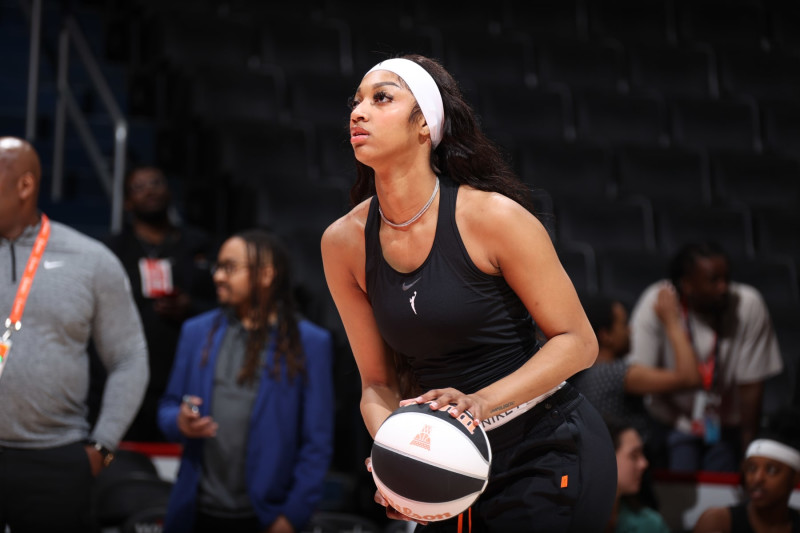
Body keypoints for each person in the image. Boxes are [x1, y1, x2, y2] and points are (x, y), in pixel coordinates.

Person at [321, 54, 616, 531]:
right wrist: (395, 459)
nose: (358, 112)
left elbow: (579, 343)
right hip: (448, 455)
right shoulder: (342, 243)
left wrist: (480, 402)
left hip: (543, 444)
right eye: (355, 102)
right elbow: (377, 384)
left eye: (381, 98)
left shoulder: (493, 218)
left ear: (426, 126)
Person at [0, 136, 149, 532]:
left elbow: (130, 357)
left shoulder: (90, 260)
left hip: (53, 461)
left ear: (25, 185)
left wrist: (101, 447)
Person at [158, 228, 335, 533]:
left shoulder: (309, 343)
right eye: (218, 266)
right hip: (196, 512)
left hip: (267, 516)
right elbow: (168, 407)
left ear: (266, 275)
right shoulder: (196, 332)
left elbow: (317, 443)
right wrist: (180, 421)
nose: (218, 276)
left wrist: (292, 516)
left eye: (230, 267)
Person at [628, 242, 783, 472]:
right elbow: (637, 376)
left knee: (722, 491)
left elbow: (752, 388)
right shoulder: (659, 301)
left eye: (726, 278)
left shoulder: (748, 304)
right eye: (714, 280)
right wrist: (672, 324)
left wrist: (748, 450)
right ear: (687, 285)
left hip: (726, 425)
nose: (724, 288)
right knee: (678, 492)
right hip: (671, 422)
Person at [95, 165, 216, 442]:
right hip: (123, 378)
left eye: (156, 182)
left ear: (169, 192)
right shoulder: (111, 251)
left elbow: (223, 308)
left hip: (183, 378)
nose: (149, 190)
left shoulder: (198, 245)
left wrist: (190, 307)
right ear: (127, 202)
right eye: (139, 187)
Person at [572, 289, 701, 463]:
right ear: (606, 335)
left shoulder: (584, 373)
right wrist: (672, 322)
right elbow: (689, 378)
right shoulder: (613, 374)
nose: (630, 330)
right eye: (623, 324)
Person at [693, 405, 800, 533]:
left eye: (771, 470)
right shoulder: (718, 522)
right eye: (751, 469)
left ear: (795, 477)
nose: (757, 478)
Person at [604, 417, 671, 533]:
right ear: (606, 457)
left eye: (642, 454)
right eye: (634, 455)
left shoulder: (650, 524)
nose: (644, 464)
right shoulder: (570, 520)